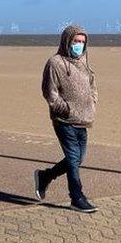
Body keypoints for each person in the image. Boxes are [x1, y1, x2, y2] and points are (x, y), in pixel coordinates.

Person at [35, 24, 98, 213]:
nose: (78, 45)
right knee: (72, 158)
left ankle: (46, 177)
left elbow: (93, 86)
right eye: (76, 41)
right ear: (67, 41)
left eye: (82, 42)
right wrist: (65, 109)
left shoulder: (84, 63)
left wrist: (93, 102)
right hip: (64, 120)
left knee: (78, 159)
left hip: (84, 119)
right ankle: (76, 197)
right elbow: (49, 92)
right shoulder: (55, 63)